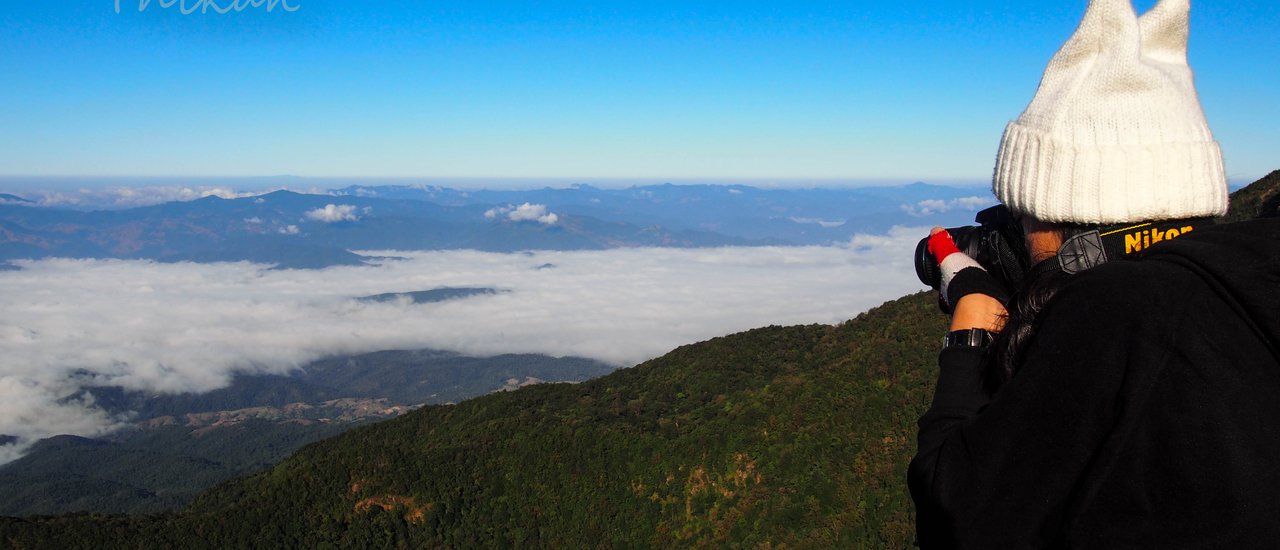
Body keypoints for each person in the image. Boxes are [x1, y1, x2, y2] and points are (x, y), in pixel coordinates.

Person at [907, 0, 1280, 548]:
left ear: (1067, 216)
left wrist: (970, 333)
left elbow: (957, 515)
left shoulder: (1118, 313)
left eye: (1023, 218)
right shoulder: (1251, 265)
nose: (1018, 237)